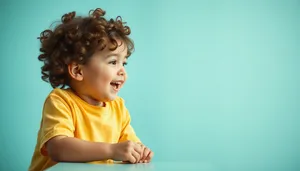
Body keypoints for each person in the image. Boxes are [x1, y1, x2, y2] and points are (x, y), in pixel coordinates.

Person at [28, 8, 154, 171]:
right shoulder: (61, 101)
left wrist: (139, 152)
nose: (122, 71)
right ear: (78, 71)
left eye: (124, 63)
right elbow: (58, 148)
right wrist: (112, 150)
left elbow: (129, 146)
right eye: (113, 62)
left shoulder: (118, 108)